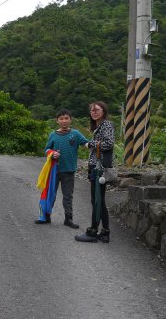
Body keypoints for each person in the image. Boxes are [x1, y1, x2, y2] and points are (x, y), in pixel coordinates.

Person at [35, 109, 88, 228]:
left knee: (68, 196)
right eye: (61, 119)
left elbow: (86, 143)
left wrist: (95, 145)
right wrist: (52, 153)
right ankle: (46, 216)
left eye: (66, 118)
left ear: (70, 119)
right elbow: (47, 149)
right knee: (50, 193)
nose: (64, 121)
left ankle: (68, 219)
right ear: (57, 121)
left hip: (69, 170)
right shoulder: (53, 135)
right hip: (54, 170)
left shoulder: (76, 134)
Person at [75, 101, 115, 243]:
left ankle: (93, 231)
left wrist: (89, 144)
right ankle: (104, 232)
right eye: (92, 110)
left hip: (99, 167)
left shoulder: (106, 124)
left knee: (97, 199)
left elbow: (109, 143)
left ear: (103, 111)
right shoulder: (99, 126)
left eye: (97, 110)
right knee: (98, 200)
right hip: (96, 165)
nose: (94, 112)